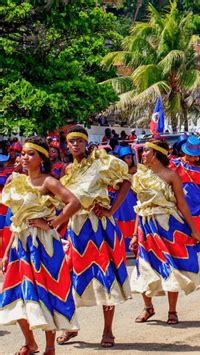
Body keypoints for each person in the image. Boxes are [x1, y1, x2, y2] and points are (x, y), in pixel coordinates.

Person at [0, 137, 81, 355]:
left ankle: (50, 346)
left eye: (30, 154)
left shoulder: (48, 182)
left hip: (44, 244)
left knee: (46, 292)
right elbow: (15, 220)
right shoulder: (14, 180)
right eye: (23, 154)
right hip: (20, 243)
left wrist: (52, 223)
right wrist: (7, 252)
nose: (24, 157)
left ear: (42, 158)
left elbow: (74, 202)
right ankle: (30, 342)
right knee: (18, 294)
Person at [129, 139, 200, 324]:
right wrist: (133, 234)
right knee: (144, 265)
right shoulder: (139, 176)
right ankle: (148, 308)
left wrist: (194, 230)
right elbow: (140, 207)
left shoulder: (171, 175)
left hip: (168, 225)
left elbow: (181, 204)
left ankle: (172, 311)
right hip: (146, 226)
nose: (142, 155)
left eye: (146, 151)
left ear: (155, 154)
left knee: (170, 266)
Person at [57, 125, 132, 348]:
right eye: (72, 141)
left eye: (80, 140)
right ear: (67, 144)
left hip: (100, 227)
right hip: (75, 227)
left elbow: (126, 181)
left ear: (86, 142)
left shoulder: (100, 164)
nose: (76, 144)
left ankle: (108, 331)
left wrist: (111, 209)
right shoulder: (67, 170)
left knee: (105, 276)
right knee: (67, 277)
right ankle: (70, 326)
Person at [113, 145, 138, 251]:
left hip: (131, 196)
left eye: (130, 157)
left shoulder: (134, 169)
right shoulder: (117, 170)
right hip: (120, 198)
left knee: (132, 218)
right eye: (127, 157)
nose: (130, 159)